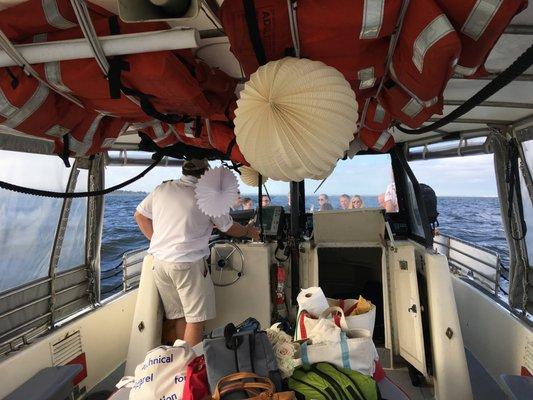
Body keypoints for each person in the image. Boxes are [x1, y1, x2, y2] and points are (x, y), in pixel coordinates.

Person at [134, 159, 260, 346]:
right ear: (206, 173)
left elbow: (140, 216)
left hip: (160, 263)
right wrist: (249, 231)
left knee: (180, 316)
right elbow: (228, 227)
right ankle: (191, 369)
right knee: (195, 319)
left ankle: (181, 367)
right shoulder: (206, 196)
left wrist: (160, 243)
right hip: (187, 264)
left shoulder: (163, 189)